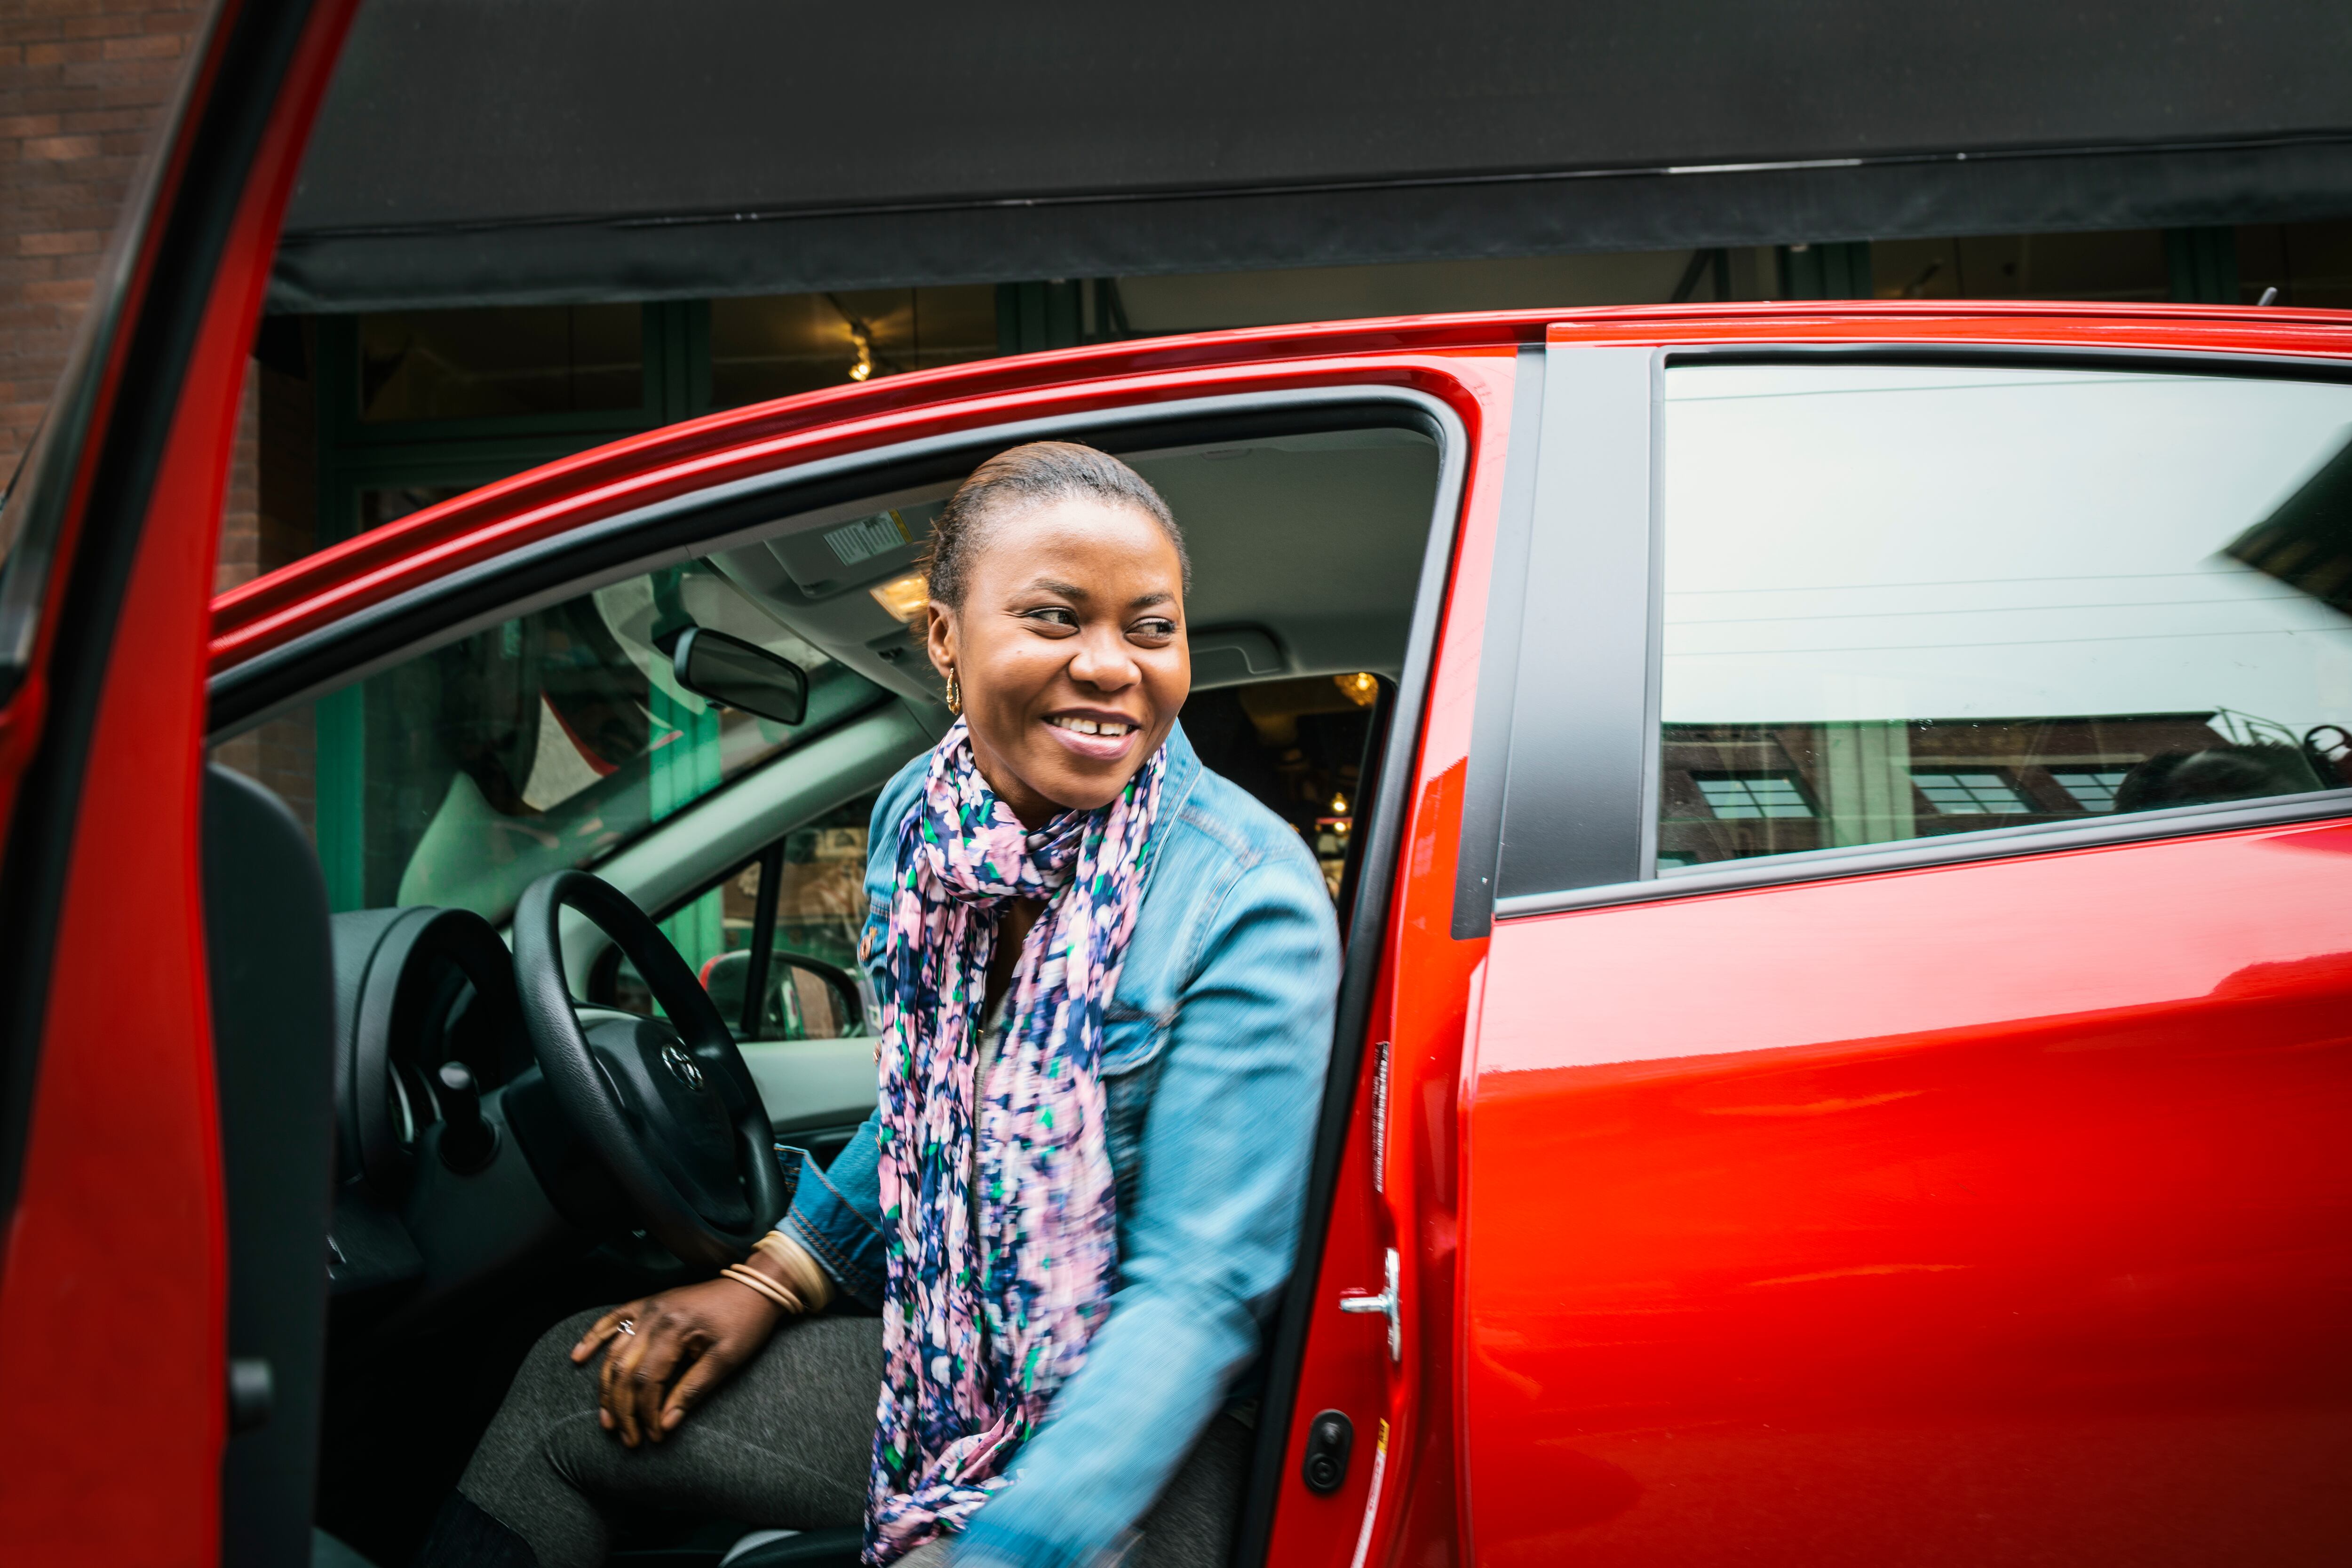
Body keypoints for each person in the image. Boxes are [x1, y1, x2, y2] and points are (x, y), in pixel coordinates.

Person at [421, 443, 1341, 1568]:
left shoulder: (1247, 893)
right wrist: (770, 1277)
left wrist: (998, 1551)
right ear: (945, 637)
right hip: (960, 1352)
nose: (1112, 666)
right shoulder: (921, 819)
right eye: (1057, 617)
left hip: (1176, 1426)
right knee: (573, 1390)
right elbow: (930, 1106)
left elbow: (1197, 1296)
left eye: (1151, 627)